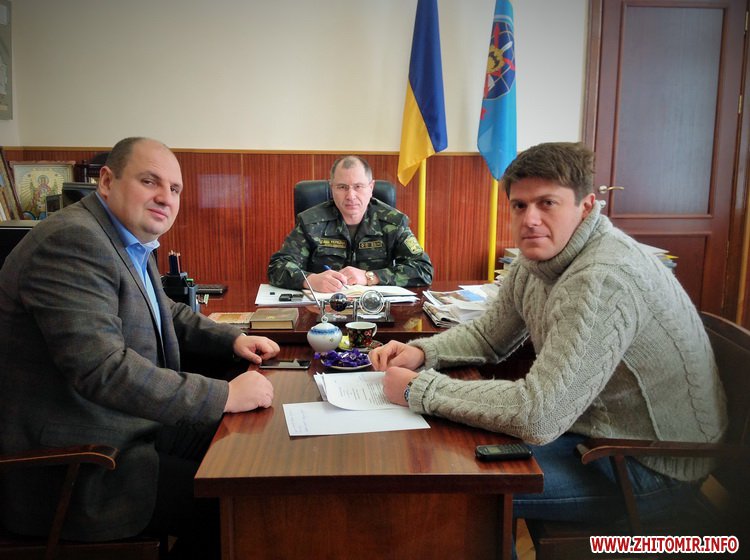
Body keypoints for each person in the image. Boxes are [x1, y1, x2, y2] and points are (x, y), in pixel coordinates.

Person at [370, 142, 727, 537]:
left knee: (458, 486)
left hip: (648, 465)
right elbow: (489, 336)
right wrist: (422, 352)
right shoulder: (537, 258)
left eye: (547, 203)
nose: (530, 219)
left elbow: (539, 415)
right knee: (447, 454)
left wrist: (419, 389)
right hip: (592, 433)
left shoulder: (602, 277)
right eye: (520, 205)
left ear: (586, 206)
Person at [0, 137, 279, 559]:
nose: (165, 198)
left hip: (127, 427)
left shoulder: (125, 236)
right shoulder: (72, 242)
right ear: (106, 181)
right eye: (150, 181)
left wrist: (233, 339)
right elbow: (104, 369)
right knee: (238, 505)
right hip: (80, 464)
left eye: (174, 189)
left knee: (249, 452)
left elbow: (165, 310)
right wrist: (223, 395)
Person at [267, 155, 433, 293]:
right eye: (342, 187)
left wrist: (370, 277)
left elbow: (423, 269)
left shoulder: (393, 222)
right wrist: (310, 280)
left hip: (376, 310)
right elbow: (277, 267)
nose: (351, 196)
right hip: (322, 311)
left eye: (358, 186)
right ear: (331, 188)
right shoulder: (310, 222)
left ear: (371, 187)